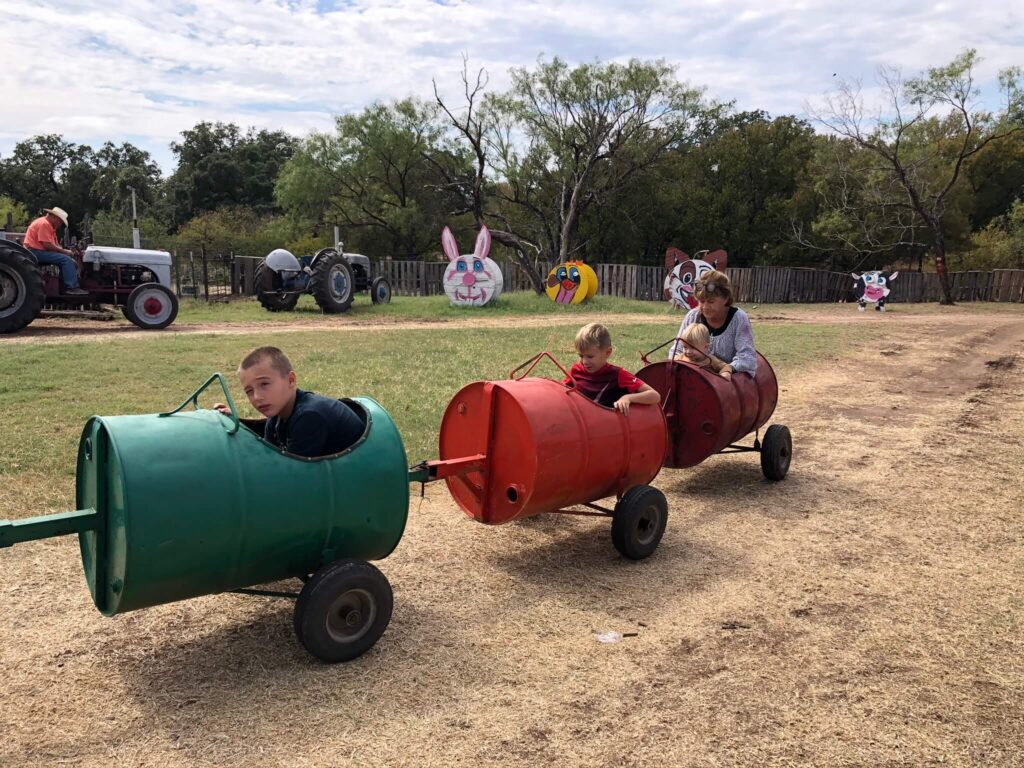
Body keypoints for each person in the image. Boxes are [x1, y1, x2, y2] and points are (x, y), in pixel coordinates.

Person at [215, 346, 365, 458]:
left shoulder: (308, 416)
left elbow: (290, 473)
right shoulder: (276, 417)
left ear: (290, 380)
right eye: (249, 391)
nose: (257, 397)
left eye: (264, 384)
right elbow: (268, 451)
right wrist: (237, 425)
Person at [668, 270, 757, 376]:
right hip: (694, 377)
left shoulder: (739, 319)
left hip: (728, 382)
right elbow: (676, 351)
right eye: (701, 301)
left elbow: (747, 357)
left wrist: (728, 369)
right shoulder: (693, 316)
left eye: (711, 302)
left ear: (726, 299)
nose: (705, 307)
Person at [563, 323, 661, 414]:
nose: (584, 362)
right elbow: (561, 391)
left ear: (607, 352)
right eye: (581, 356)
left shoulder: (618, 374)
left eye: (590, 356)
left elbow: (655, 396)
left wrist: (628, 398)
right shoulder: (576, 370)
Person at [23, 206, 87, 295]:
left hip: (37, 251)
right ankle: (72, 287)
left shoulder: (47, 225)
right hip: (34, 252)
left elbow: (53, 245)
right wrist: (65, 252)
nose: (60, 224)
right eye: (60, 221)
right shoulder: (44, 224)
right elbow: (47, 245)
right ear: (54, 217)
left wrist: (66, 251)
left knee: (67, 259)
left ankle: (63, 285)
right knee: (65, 260)